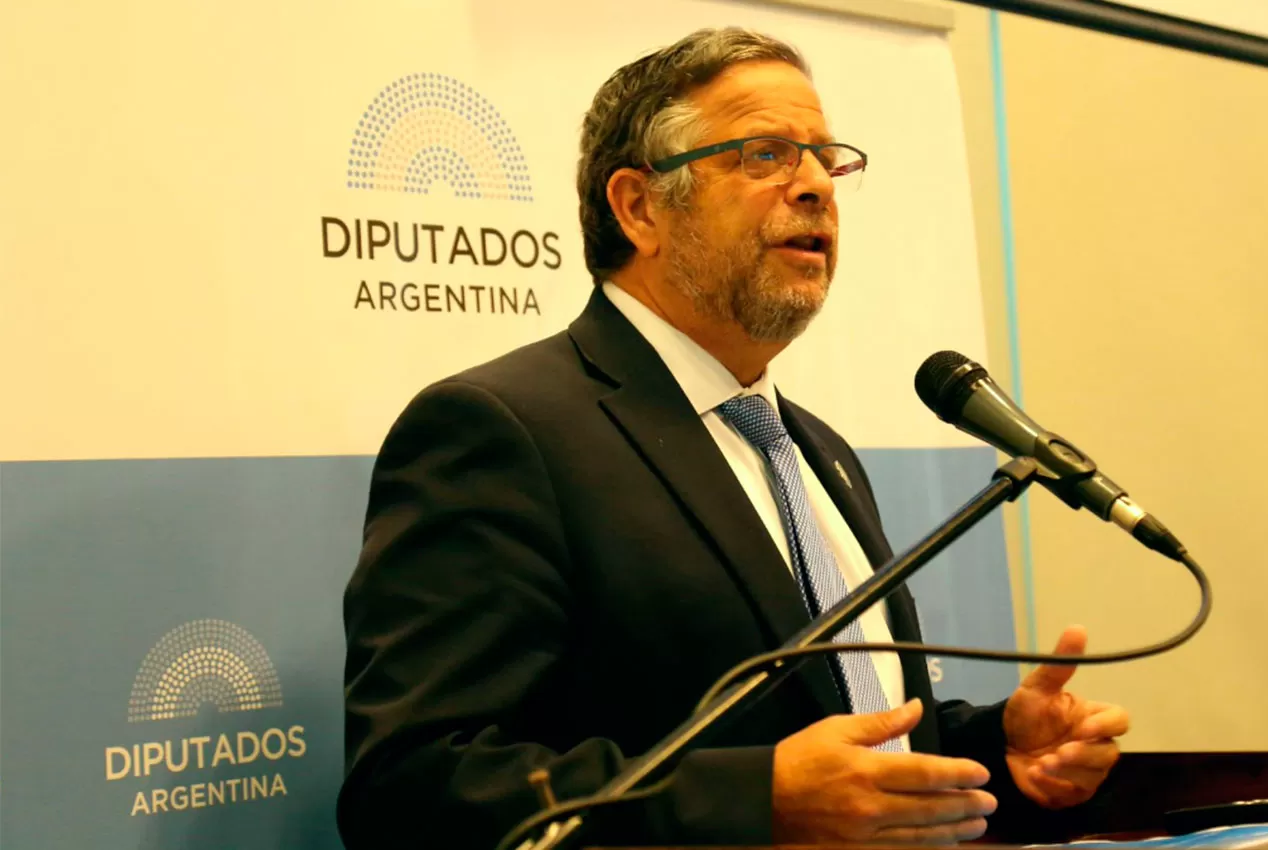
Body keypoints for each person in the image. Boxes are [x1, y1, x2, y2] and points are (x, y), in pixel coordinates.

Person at [340, 27, 1129, 850]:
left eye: (828, 159)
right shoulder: (503, 432)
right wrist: (757, 801)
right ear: (640, 207)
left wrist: (993, 746)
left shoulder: (814, 450)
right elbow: (413, 790)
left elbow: (835, 725)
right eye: (765, 155)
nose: (818, 185)